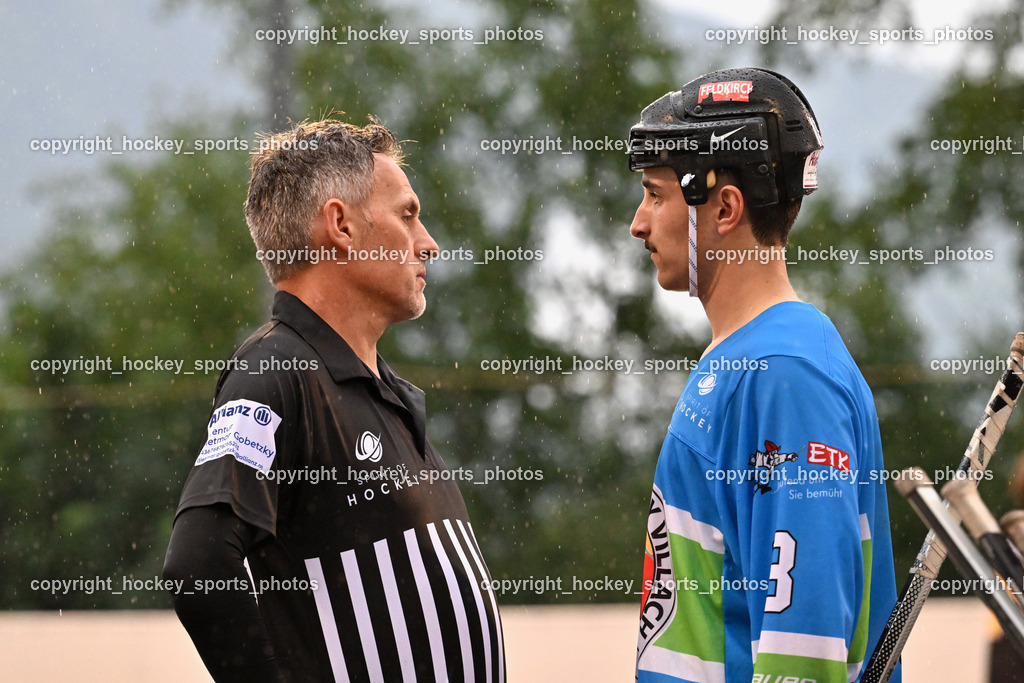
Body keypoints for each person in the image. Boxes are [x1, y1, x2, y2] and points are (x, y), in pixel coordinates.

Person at [163, 118, 505, 682]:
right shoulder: (275, 370)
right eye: (408, 215)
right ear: (341, 226)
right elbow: (198, 565)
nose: (429, 243)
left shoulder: (376, 385)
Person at [627, 67, 900, 682]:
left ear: (724, 207)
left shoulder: (785, 376)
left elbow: (805, 653)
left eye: (655, 193)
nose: (638, 223)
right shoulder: (757, 360)